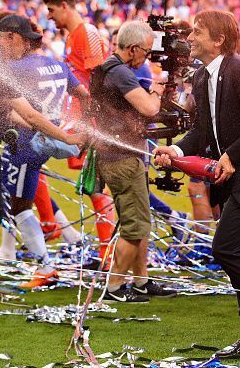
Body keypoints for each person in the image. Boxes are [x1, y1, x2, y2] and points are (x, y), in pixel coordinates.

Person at [154, 10, 240, 356]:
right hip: (234, 178)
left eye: (199, 31)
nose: (191, 36)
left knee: (225, 248)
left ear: (218, 40)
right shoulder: (201, 77)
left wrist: (231, 156)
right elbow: (201, 132)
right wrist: (176, 149)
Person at [0, 14, 86, 298]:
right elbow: (28, 113)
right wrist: (65, 137)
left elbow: (13, 114)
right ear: (10, 37)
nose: (26, 48)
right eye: (25, 42)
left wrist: (44, 133)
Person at [0, 16, 90, 288]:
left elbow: (19, 111)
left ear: (20, 41)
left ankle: (45, 267)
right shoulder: (57, 65)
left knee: (19, 207)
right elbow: (83, 93)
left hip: (25, 143)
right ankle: (48, 257)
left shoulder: (16, 69)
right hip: (46, 143)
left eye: (6, 40)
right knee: (23, 200)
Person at [87, 20, 175, 303]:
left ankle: (140, 281)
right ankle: (114, 287)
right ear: (134, 48)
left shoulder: (106, 69)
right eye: (147, 52)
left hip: (116, 155)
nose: (147, 58)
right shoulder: (121, 72)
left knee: (139, 221)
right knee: (134, 226)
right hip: (123, 159)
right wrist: (159, 89)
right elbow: (149, 108)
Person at [43, 0, 114, 256]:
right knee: (96, 183)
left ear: (64, 6)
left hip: (90, 119)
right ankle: (104, 249)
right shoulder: (73, 36)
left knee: (100, 183)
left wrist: (90, 120)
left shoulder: (87, 33)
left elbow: (100, 78)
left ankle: (106, 252)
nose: (49, 17)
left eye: (51, 10)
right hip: (78, 116)